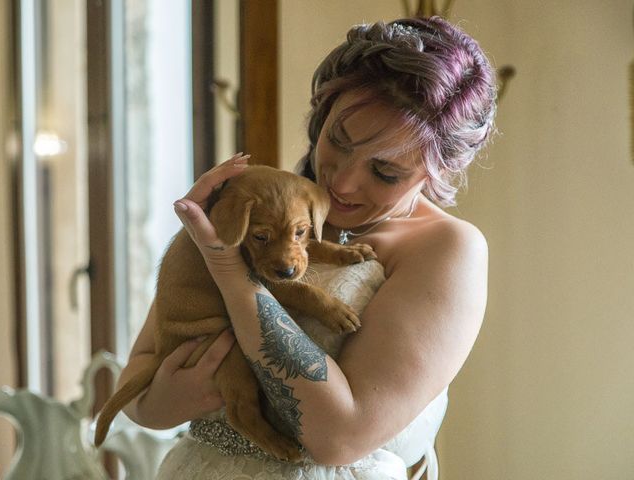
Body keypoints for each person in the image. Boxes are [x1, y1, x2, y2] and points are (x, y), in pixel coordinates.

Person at [117, 15, 496, 479]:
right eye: (337, 140)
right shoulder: (263, 206)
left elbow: (340, 437)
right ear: (321, 114)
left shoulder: (446, 249)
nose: (342, 181)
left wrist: (227, 266)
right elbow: (136, 385)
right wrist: (163, 403)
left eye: (385, 172)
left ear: (436, 173)